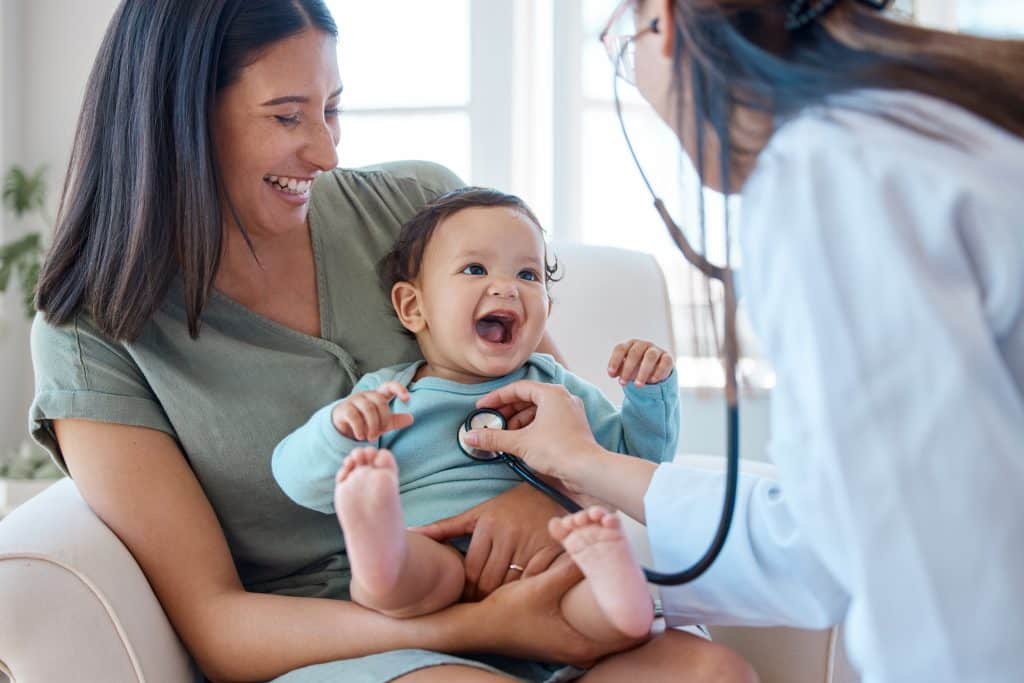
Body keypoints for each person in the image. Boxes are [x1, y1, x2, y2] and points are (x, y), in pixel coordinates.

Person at [26, 1, 757, 681]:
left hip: (533, 589)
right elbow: (218, 623)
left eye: (332, 108)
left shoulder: (417, 209)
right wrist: (476, 625)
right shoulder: (91, 333)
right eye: (287, 117)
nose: (325, 151)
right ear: (180, 120)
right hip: (348, 642)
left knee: (712, 672)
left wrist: (537, 504)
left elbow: (549, 413)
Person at [454, 1, 1024, 682]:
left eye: (623, 46)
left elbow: (937, 588)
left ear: (663, 23)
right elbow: (834, 537)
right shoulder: (935, 120)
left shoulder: (830, 173)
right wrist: (582, 462)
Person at [272, 187, 676, 642]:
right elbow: (296, 480)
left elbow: (634, 464)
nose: (507, 286)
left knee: (596, 610)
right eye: (475, 269)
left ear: (547, 308)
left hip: (549, 560)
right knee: (403, 578)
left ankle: (618, 587)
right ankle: (378, 542)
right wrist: (339, 430)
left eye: (528, 274)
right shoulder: (389, 396)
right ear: (413, 307)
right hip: (434, 549)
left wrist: (647, 394)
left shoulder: (556, 389)